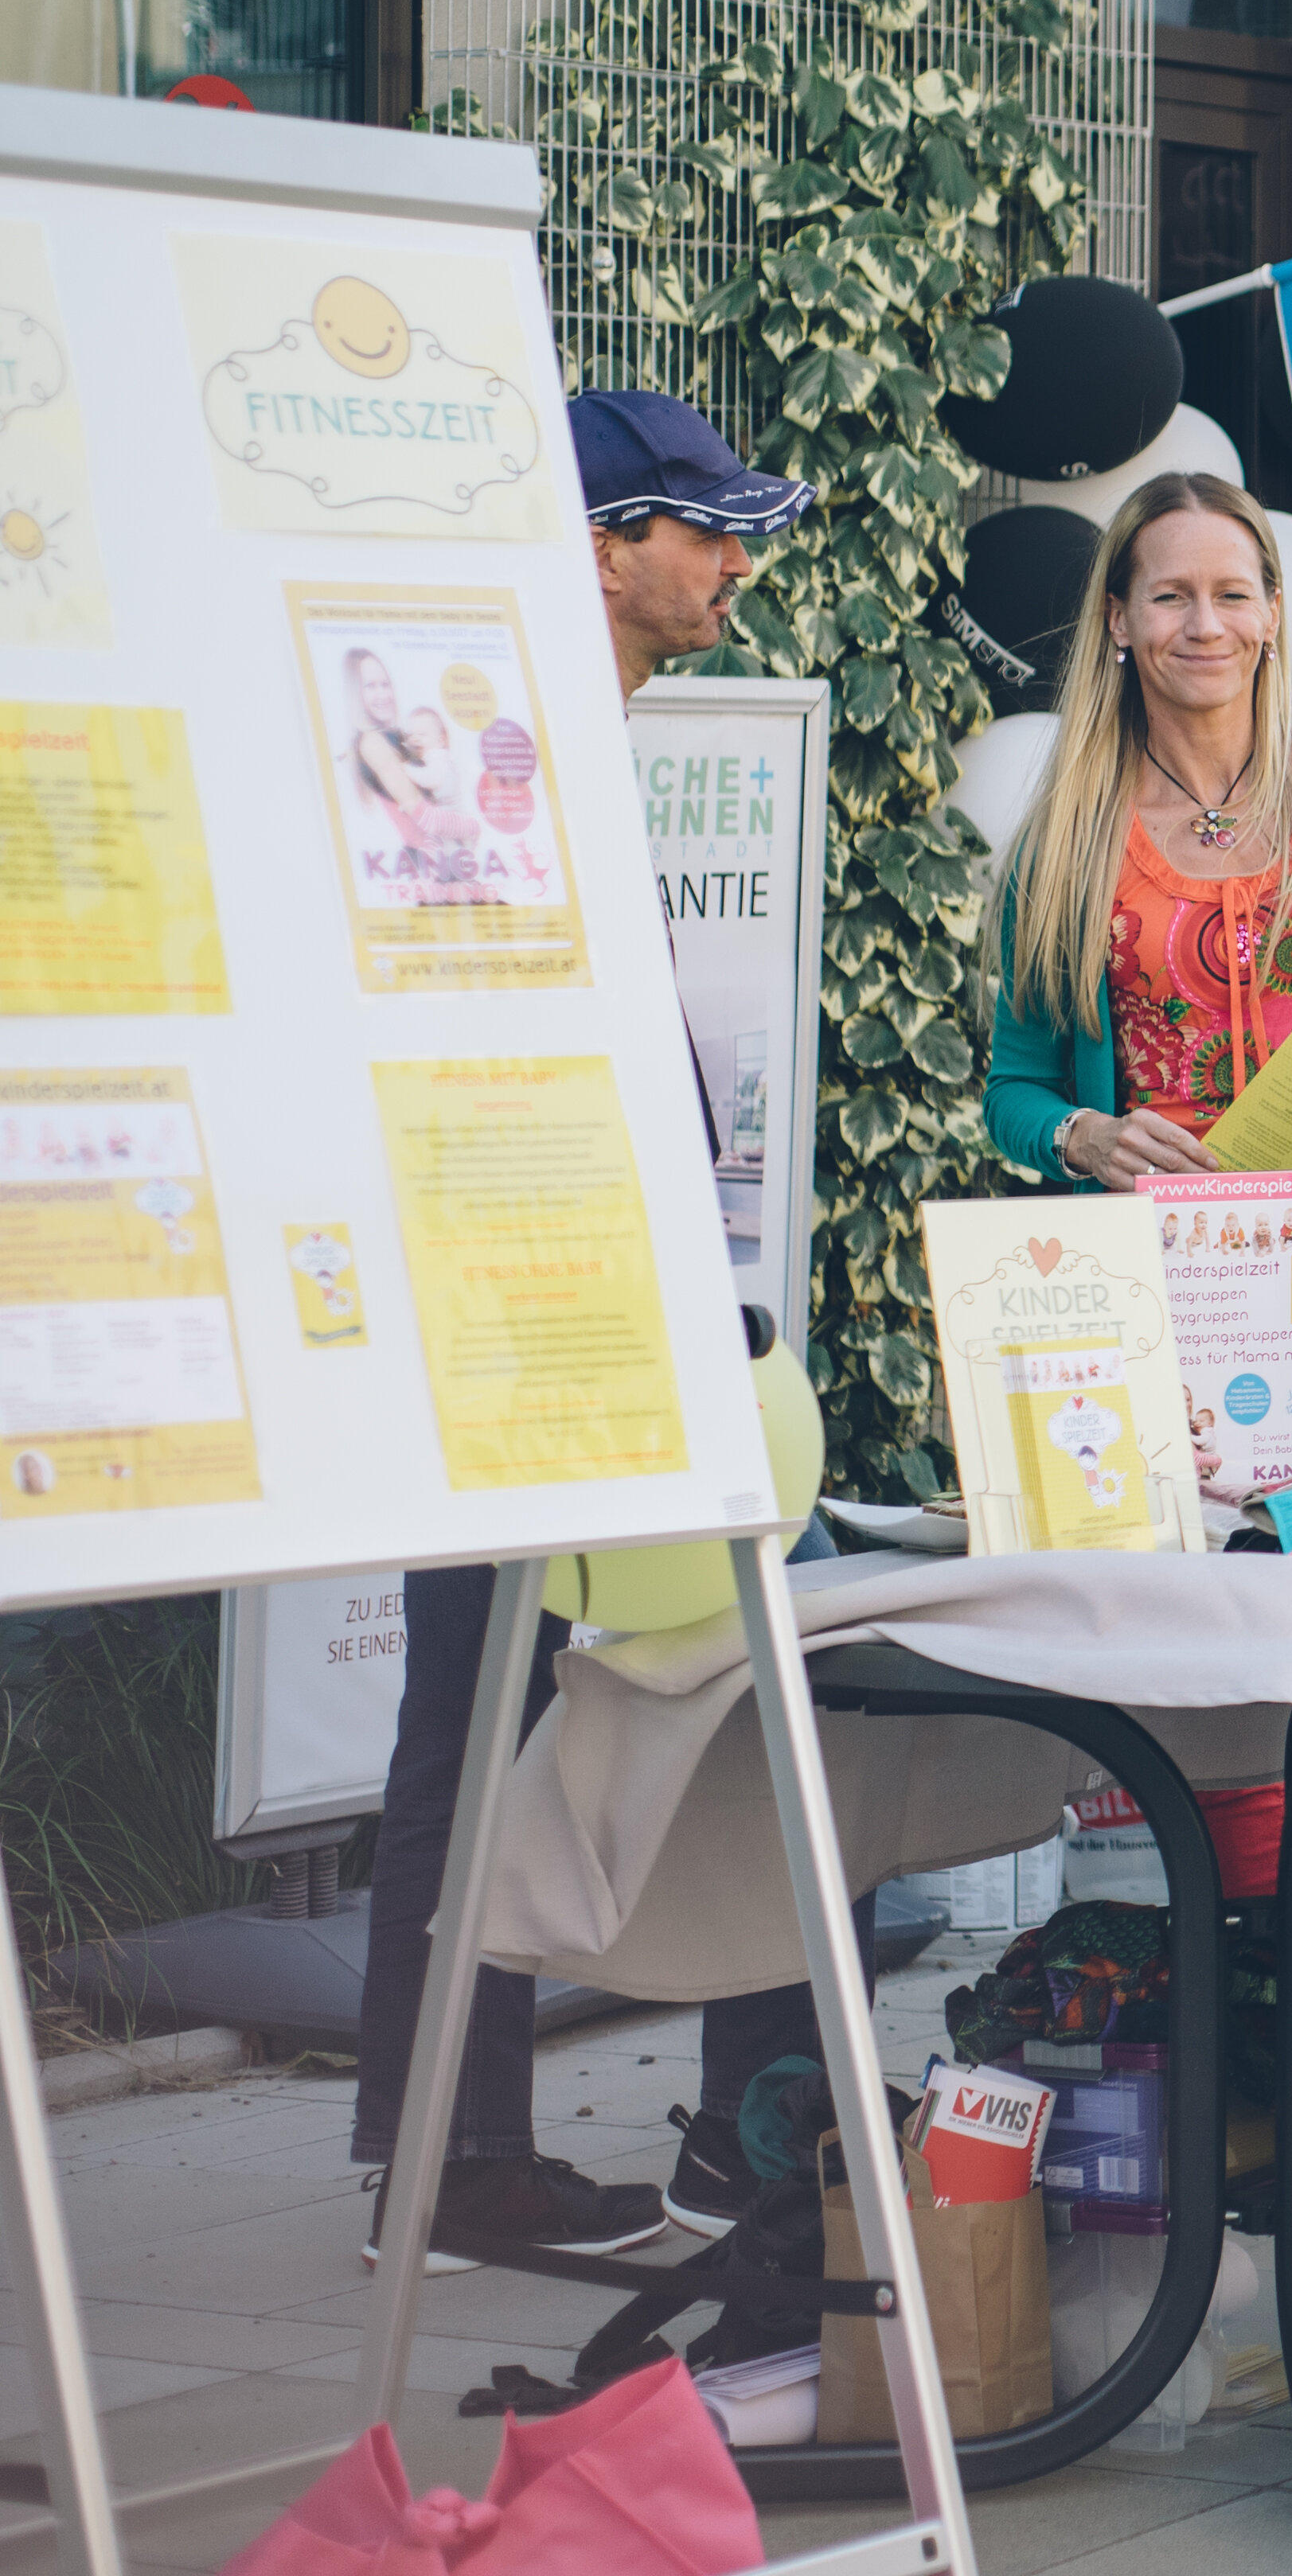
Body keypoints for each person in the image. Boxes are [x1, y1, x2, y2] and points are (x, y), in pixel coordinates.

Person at [355, 394, 819, 2266]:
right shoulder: (507, 750)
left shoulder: (555, 737)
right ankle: (462, 2159)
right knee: (500, 1711)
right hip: (524, 1291)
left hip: (572, 1283)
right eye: (704, 528)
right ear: (604, 544)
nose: (737, 563)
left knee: (515, 1708)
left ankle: (470, 2151)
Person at [981, 473, 1292, 1935]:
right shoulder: (1067, 831)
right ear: (1120, 622)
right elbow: (1012, 1088)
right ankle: (1260, 1987)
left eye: (1233, 592)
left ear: (1272, 616)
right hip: (1174, 1302)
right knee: (1227, 1663)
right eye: (1172, 595)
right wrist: (1085, 1132)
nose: (1206, 623)